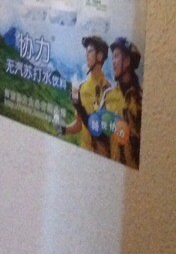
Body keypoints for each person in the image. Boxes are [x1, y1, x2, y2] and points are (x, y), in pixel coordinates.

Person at [58, 35, 111, 156]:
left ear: (100, 56)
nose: (87, 55)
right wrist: (61, 129)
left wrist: (78, 106)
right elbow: (79, 125)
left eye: (90, 51)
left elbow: (103, 132)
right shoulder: (82, 87)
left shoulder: (107, 89)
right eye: (86, 52)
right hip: (83, 151)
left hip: (100, 156)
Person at [105, 37, 143, 169]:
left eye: (116, 56)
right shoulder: (108, 96)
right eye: (112, 58)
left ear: (127, 61)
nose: (113, 62)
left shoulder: (140, 99)